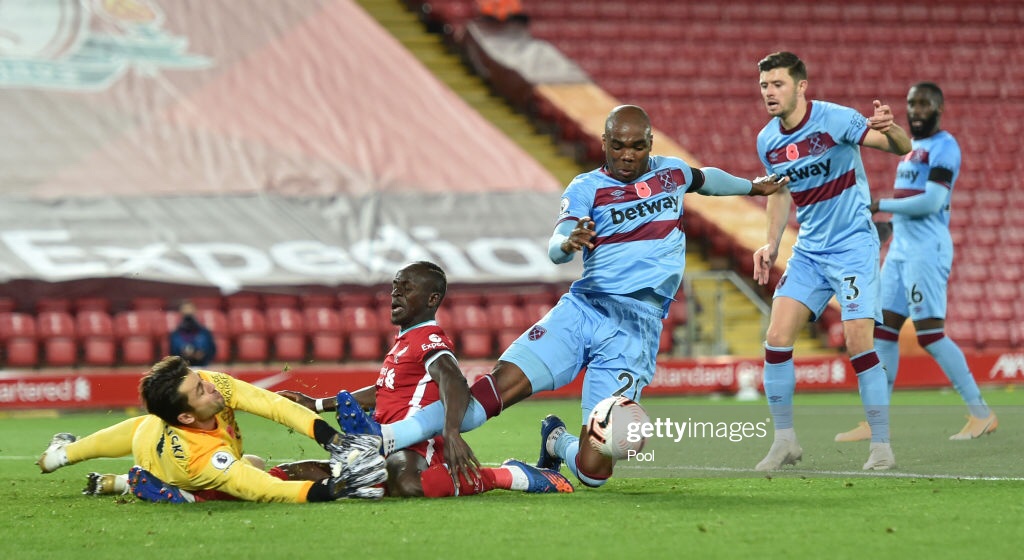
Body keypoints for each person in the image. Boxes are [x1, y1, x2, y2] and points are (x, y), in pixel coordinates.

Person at [327, 105, 787, 489]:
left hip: (635, 330)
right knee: (475, 406)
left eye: (638, 145)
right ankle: (383, 438)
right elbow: (556, 243)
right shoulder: (586, 188)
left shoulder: (671, 174)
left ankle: (557, 443)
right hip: (583, 311)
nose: (628, 155)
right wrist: (567, 244)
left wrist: (753, 186)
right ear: (604, 143)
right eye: (618, 145)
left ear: (650, 144)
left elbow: (706, 178)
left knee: (594, 471)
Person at [279, 260, 573, 498]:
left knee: (407, 484)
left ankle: (507, 475)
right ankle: (257, 480)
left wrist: (452, 431)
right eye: (395, 287)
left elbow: (453, 379)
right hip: (384, 437)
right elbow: (383, 392)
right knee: (329, 474)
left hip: (418, 445)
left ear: (432, 299)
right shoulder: (403, 342)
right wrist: (315, 404)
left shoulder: (429, 337)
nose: (396, 294)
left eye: (406, 289)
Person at [750, 52, 912, 472]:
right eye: (765, 85)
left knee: (858, 341)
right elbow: (780, 193)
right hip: (808, 252)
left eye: (778, 84)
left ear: (801, 86)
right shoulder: (768, 141)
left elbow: (899, 148)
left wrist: (891, 127)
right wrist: (770, 243)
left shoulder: (835, 119)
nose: (769, 92)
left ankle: (881, 446)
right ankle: (785, 440)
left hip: (854, 246)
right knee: (776, 337)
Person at [834, 82, 997, 443]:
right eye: (912, 103)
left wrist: (881, 205)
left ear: (938, 109)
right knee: (884, 330)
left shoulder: (945, 147)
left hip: (927, 250)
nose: (916, 110)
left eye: (924, 104)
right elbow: (909, 201)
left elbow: (933, 202)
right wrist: (886, 229)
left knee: (930, 334)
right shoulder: (910, 150)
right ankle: (876, 421)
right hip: (901, 250)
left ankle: (981, 413)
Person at [36, 355, 385, 503]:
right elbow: (261, 489)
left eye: (199, 378)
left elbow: (272, 405)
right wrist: (330, 490)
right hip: (172, 468)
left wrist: (331, 438)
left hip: (150, 432)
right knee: (247, 475)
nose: (210, 385)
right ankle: (143, 485)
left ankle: (62, 455)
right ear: (186, 417)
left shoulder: (208, 384)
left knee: (253, 461)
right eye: (199, 390)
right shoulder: (201, 459)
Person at [169, 301, 217, 366]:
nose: (188, 312)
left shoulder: (204, 332)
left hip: (203, 365)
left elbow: (212, 350)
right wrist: (183, 355)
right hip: (182, 367)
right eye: (185, 309)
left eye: (190, 309)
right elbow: (173, 352)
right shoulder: (175, 334)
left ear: (195, 311)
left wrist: (202, 354)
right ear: (180, 312)